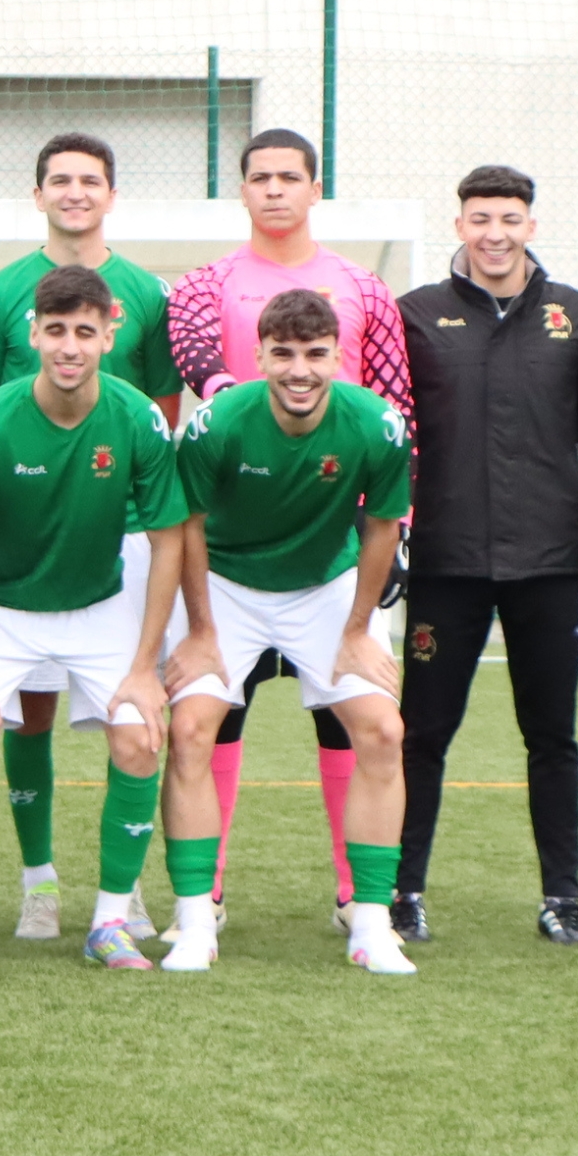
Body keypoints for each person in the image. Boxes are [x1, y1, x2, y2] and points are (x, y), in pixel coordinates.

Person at [163, 127, 412, 921]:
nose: (274, 188)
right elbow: (200, 370)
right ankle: (208, 894)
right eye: (259, 176)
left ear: (314, 188)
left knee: (356, 718)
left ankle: (357, 896)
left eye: (290, 176)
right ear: (242, 189)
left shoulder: (364, 287)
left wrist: (401, 530)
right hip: (234, 542)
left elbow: (394, 407)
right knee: (212, 716)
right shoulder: (203, 284)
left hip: (334, 546)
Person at [0, 131, 183, 942]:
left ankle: (121, 901)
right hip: (19, 536)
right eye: (61, 179)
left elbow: (161, 413)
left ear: (111, 193)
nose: (75, 191)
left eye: (90, 179)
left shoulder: (148, 294)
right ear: (38, 192)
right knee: (26, 718)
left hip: (113, 540)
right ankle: (38, 880)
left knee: (134, 723)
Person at [394, 164, 578, 946]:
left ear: (531, 226)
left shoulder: (577, 316)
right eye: (480, 217)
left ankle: (563, 896)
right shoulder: (417, 315)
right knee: (423, 732)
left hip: (548, 562)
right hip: (447, 563)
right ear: (460, 225)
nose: (495, 233)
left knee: (552, 735)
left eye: (510, 217)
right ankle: (402, 889)